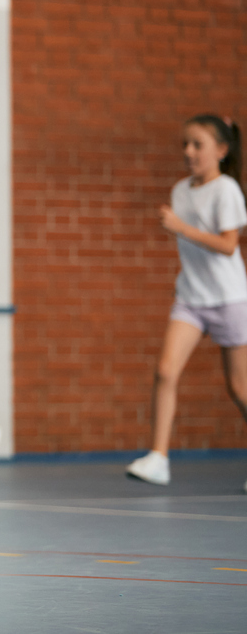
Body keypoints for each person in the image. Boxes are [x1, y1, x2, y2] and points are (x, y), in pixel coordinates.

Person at [126, 115, 247, 491]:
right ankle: (158, 458)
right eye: (185, 145)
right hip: (191, 298)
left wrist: (182, 228)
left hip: (229, 299)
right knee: (165, 371)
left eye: (197, 145)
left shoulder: (226, 190)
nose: (189, 152)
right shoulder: (181, 190)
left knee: (240, 388)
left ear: (221, 150)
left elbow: (228, 245)